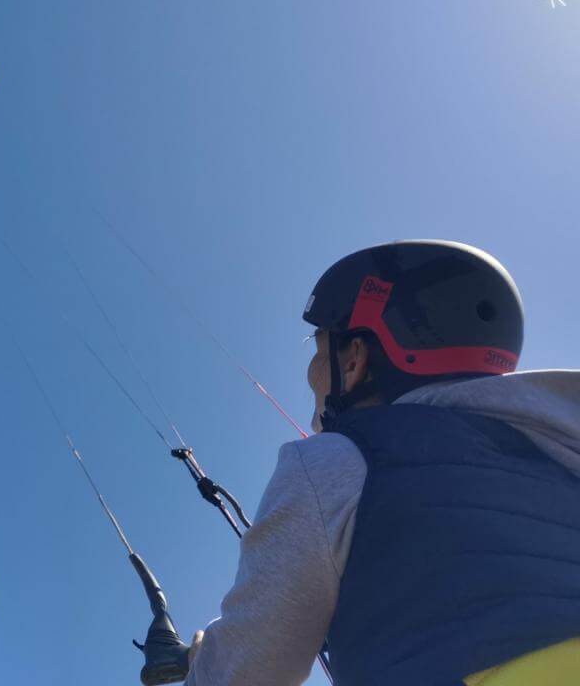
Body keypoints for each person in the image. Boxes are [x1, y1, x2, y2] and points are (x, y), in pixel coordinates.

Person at [185, 240, 580, 686]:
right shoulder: (560, 451)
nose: (311, 372)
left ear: (354, 360)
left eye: (319, 350)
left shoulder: (334, 459)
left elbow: (244, 673)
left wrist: (203, 665)